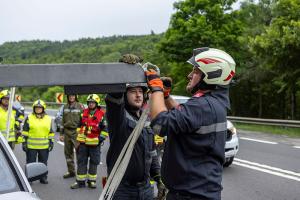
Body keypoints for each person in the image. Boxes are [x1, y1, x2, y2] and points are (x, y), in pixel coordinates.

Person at [146, 47, 236, 200]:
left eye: (195, 71)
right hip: (199, 193)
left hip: (190, 195)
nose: (189, 75)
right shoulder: (213, 103)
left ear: (212, 74)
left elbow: (159, 124)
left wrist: (156, 89)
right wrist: (166, 97)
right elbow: (184, 118)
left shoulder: (203, 106)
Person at [104, 54, 164, 200]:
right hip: (122, 189)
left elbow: (152, 154)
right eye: (132, 92)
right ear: (125, 95)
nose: (138, 95)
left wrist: (159, 179)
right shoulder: (119, 119)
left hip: (145, 189)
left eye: (140, 92)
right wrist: (122, 71)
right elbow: (113, 100)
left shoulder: (146, 120)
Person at [71, 94, 107, 189]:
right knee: (81, 162)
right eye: (89, 102)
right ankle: (80, 182)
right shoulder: (83, 113)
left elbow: (105, 129)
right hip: (83, 144)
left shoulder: (102, 115)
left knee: (94, 162)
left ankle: (92, 181)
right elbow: (78, 126)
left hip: (95, 144)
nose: (91, 104)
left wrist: (100, 139)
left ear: (96, 103)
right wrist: (79, 137)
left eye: (93, 102)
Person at [22, 100, 55, 184]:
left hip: (44, 146)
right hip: (31, 146)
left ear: (43, 109)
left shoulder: (48, 119)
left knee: (43, 163)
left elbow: (51, 132)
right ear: (34, 108)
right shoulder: (29, 118)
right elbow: (25, 131)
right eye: (36, 108)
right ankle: (30, 179)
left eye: (40, 108)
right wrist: (24, 142)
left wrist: (51, 142)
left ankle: (43, 178)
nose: (38, 109)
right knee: (30, 163)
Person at [59, 94, 84, 179]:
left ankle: (81, 173)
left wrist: (82, 133)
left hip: (76, 132)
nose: (71, 97)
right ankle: (71, 172)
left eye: (73, 96)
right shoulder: (65, 106)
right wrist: (61, 134)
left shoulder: (80, 106)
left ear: (76, 97)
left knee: (79, 153)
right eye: (70, 96)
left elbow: (84, 120)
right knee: (68, 153)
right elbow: (63, 121)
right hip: (67, 132)